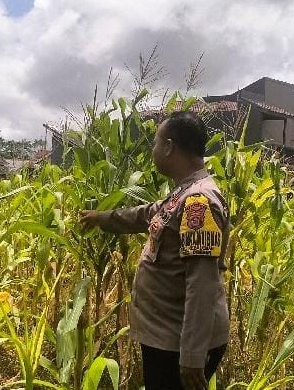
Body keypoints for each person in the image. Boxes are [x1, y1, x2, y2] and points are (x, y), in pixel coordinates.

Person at [80, 110, 231, 390]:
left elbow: (202, 284)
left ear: (169, 147)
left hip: (178, 344)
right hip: (167, 336)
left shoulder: (198, 202)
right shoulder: (184, 193)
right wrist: (102, 218)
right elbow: (147, 213)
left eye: (156, 143)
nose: (153, 150)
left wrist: (192, 355)